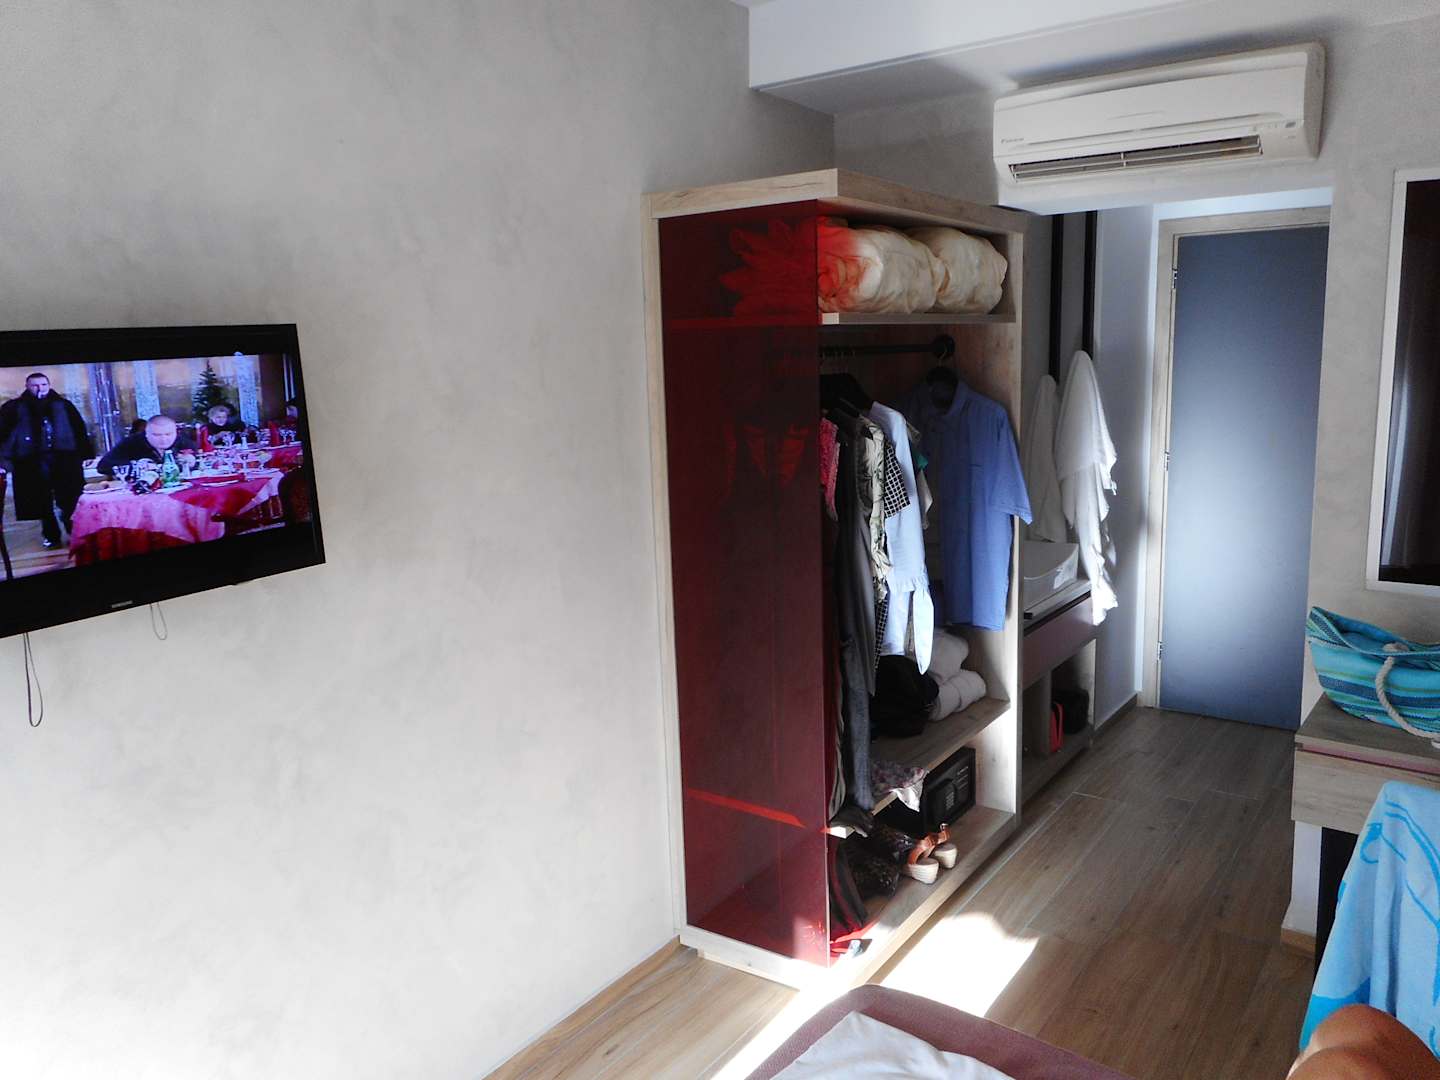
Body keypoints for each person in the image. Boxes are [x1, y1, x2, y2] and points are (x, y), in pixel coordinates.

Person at [0, 373, 94, 548]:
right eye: (35, 385)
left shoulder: (63, 405)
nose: (40, 388)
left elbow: (79, 429)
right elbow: (3, 433)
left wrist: (86, 453)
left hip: (64, 457)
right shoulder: (14, 407)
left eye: (43, 384)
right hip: (31, 460)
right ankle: (51, 535)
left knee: (70, 497)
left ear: (49, 385)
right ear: (27, 386)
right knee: (41, 500)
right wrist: (4, 460)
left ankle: (74, 531)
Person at [96, 415, 197, 478]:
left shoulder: (183, 442)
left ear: (176, 432)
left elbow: (200, 463)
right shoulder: (131, 442)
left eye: (168, 434)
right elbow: (103, 466)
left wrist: (193, 462)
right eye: (157, 435)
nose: (164, 439)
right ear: (146, 434)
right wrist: (136, 467)